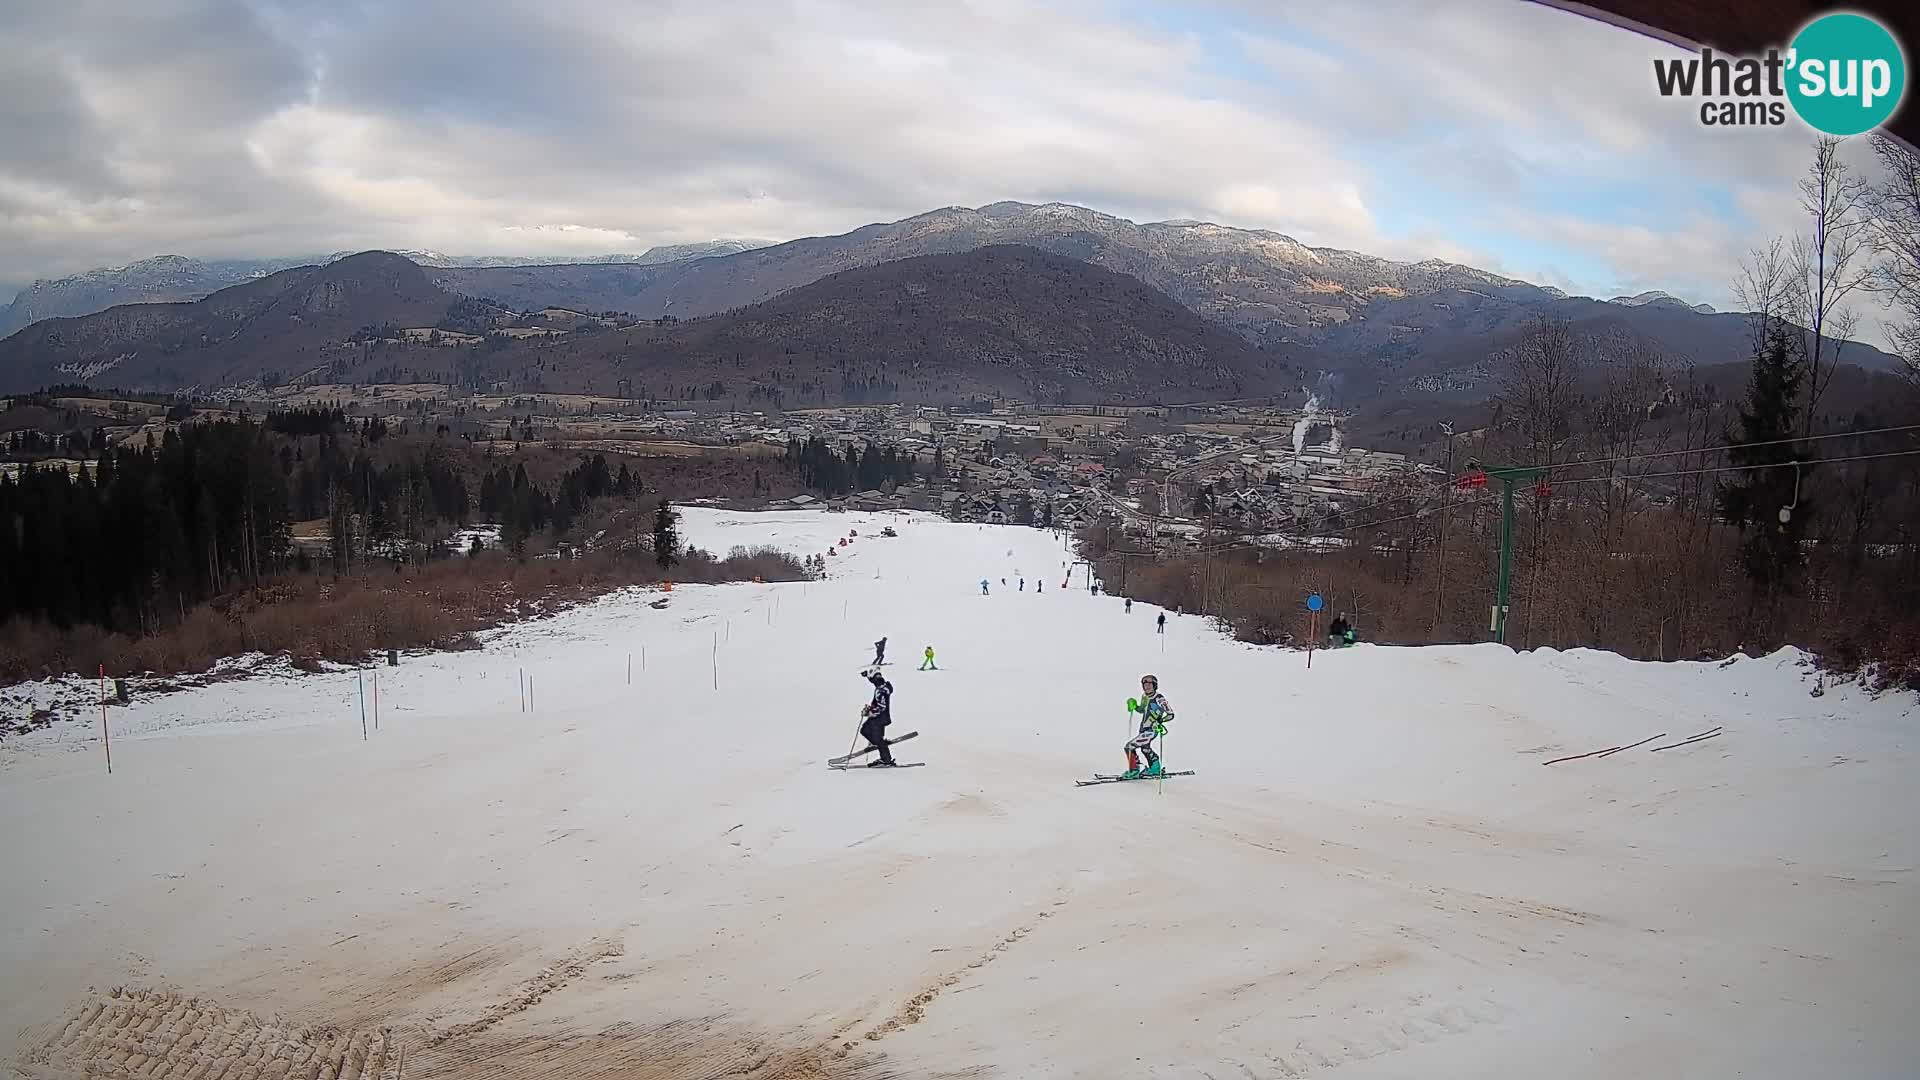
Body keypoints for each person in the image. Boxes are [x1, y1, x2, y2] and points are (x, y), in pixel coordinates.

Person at [1122, 674, 1174, 779]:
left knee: (1129, 746)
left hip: (1151, 730)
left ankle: (1134, 770)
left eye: (1150, 683)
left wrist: (1161, 720)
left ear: (1155, 685)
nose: (1147, 686)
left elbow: (1170, 714)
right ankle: (1155, 767)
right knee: (1145, 749)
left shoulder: (1159, 698)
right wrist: (1134, 706)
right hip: (1144, 729)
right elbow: (1142, 710)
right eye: (1144, 684)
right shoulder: (1144, 696)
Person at [859, 668, 897, 766]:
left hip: (880, 718)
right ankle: (879, 743)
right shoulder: (882, 686)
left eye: (871, 680)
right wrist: (870, 708)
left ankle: (886, 759)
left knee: (866, 731)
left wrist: (870, 712)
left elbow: (882, 706)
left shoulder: (881, 690)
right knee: (870, 732)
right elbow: (872, 674)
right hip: (881, 717)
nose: (870, 681)